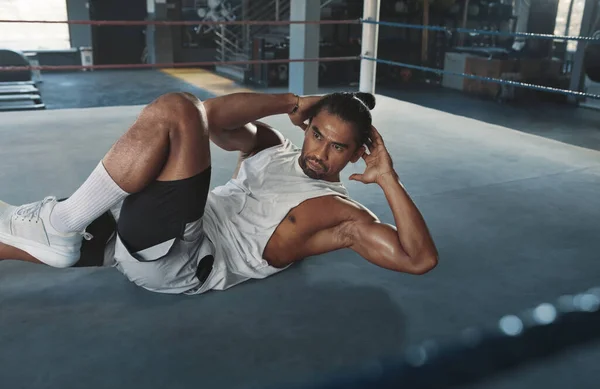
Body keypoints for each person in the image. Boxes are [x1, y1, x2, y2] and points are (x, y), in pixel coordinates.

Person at [0, 91, 438, 295]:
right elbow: (214, 117)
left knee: (176, 111)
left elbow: (418, 259)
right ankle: (58, 228)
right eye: (318, 135)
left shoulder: (342, 215)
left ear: (357, 153)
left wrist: (387, 178)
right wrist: (289, 101)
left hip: (183, 261)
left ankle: (59, 223)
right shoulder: (274, 148)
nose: (320, 152)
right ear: (307, 126)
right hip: (154, 232)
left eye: (337, 146)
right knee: (20, 237)